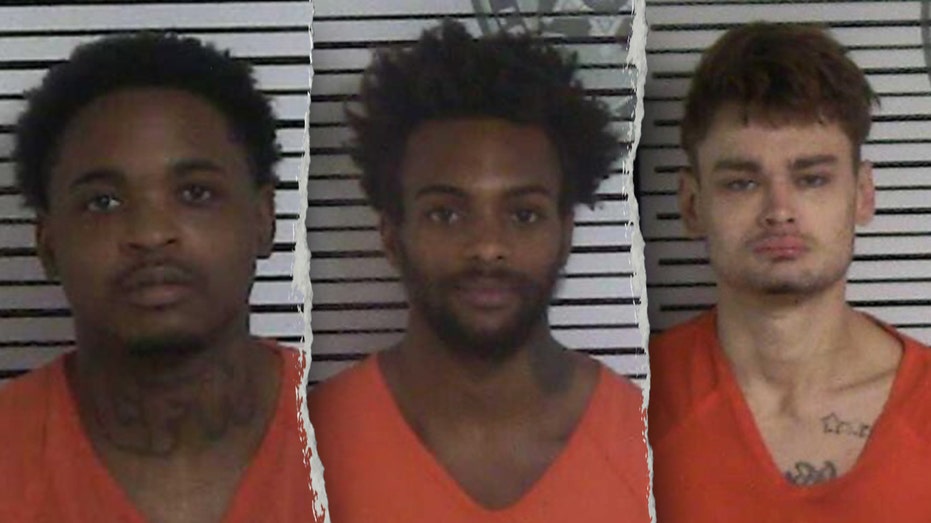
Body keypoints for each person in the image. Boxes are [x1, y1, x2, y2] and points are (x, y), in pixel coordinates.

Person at [307, 19, 650, 523]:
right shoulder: (306, 444)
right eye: (445, 214)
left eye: (524, 214)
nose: (488, 248)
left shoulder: (653, 445)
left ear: (565, 232)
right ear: (391, 235)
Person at [0, 33, 323, 523]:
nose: (150, 234)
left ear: (264, 218)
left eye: (195, 193)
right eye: (103, 201)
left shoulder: (361, 435)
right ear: (47, 245)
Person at [649, 22, 931, 522]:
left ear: (863, 194)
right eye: (741, 183)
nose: (779, 211)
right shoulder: (632, 403)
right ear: (692, 204)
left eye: (812, 179)